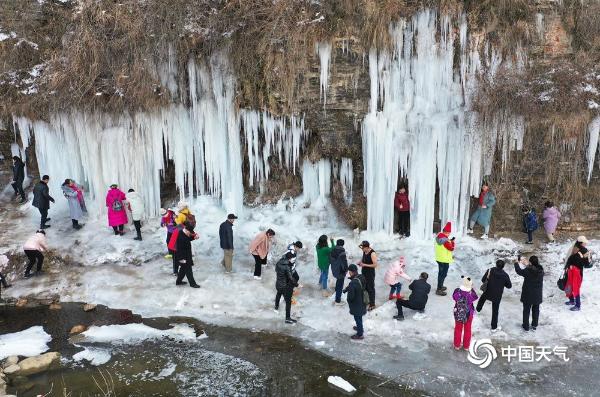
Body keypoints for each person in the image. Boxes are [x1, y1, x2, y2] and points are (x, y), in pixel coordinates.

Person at [475, 260, 512, 332]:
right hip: (497, 295)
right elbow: (509, 286)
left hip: (488, 291)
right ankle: (493, 327)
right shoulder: (505, 275)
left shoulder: (490, 270)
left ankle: (477, 310)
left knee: (482, 298)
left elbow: (483, 280)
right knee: (495, 311)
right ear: (503, 266)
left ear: (496, 264)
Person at [514, 255, 544, 331]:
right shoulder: (541, 270)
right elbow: (534, 269)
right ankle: (534, 325)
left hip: (528, 294)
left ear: (530, 262)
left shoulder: (528, 271)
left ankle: (526, 326)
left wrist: (516, 263)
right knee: (536, 309)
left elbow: (519, 271)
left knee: (526, 310)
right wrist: (527, 265)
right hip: (537, 294)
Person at [452, 276, 478, 350]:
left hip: (458, 313)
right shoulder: (471, 294)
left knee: (458, 329)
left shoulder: (457, 291)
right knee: (467, 329)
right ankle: (466, 346)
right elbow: (476, 297)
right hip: (469, 314)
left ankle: (457, 345)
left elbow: (454, 297)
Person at [275, 252, 299, 324]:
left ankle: (276, 307)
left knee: (278, 294)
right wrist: (297, 284)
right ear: (290, 258)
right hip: (285, 286)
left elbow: (277, 271)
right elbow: (291, 278)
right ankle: (287, 318)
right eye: (292, 258)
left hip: (278, 284)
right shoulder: (287, 266)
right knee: (288, 302)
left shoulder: (279, 263)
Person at [175, 221, 200, 288]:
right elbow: (179, 250)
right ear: (186, 230)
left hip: (187, 255)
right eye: (190, 232)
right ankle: (193, 284)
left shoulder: (184, 233)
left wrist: (193, 238)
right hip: (183, 257)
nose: (190, 233)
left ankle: (178, 281)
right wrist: (181, 259)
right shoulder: (180, 237)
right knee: (188, 270)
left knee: (183, 269)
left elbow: (187, 239)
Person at [344, 264, 367, 340]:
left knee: (357, 318)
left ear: (351, 272)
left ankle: (360, 334)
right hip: (362, 300)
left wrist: (349, 301)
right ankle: (359, 328)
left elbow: (351, 296)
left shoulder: (353, 283)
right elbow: (356, 285)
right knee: (359, 316)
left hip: (356, 304)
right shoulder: (361, 277)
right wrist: (347, 289)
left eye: (349, 271)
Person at [434, 222, 455, 296]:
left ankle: (440, 286)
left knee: (441, 274)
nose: (449, 234)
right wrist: (452, 242)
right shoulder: (445, 241)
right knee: (443, 274)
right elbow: (451, 248)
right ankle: (439, 289)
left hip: (440, 258)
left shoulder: (439, 237)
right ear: (446, 232)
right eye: (448, 233)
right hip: (444, 260)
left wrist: (449, 240)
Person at [357, 241, 378, 311]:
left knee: (371, 289)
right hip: (364, 272)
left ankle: (372, 304)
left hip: (370, 273)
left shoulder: (372, 254)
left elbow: (375, 265)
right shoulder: (364, 251)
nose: (362, 249)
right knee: (364, 287)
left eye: (362, 247)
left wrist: (364, 265)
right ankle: (366, 301)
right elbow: (363, 257)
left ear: (366, 247)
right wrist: (360, 262)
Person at [329, 239, 348, 306]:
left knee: (338, 282)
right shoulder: (342, 252)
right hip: (340, 271)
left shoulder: (332, 250)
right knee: (340, 284)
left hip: (334, 270)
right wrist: (346, 270)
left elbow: (330, 260)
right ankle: (338, 300)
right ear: (342, 244)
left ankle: (336, 292)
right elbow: (344, 263)